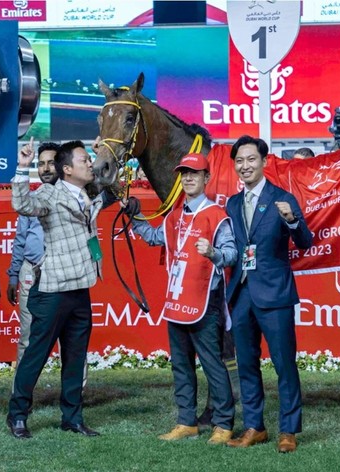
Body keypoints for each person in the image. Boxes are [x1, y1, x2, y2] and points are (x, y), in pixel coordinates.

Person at [124, 152, 237, 445]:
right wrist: (133, 215)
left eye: (194, 173)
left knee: (212, 364)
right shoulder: (175, 215)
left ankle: (224, 423)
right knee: (181, 364)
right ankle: (187, 422)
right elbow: (154, 238)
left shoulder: (217, 215)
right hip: (176, 303)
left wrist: (213, 253)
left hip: (205, 302)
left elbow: (232, 254)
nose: (188, 178)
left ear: (206, 178)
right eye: (184, 173)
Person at [7, 139, 108, 439]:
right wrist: (22, 169)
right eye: (83, 159)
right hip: (52, 290)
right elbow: (23, 205)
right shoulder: (50, 193)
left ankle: (72, 418)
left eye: (89, 159)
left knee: (75, 357)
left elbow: (111, 179)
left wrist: (102, 152)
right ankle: (17, 415)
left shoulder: (89, 192)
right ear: (67, 169)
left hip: (81, 287)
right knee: (36, 355)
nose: (89, 163)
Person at [223, 136, 313, 453]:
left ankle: (288, 430)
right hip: (241, 294)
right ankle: (254, 427)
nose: (245, 166)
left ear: (263, 162)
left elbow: (305, 242)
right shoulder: (232, 204)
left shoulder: (282, 199)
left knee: (284, 364)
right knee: (246, 364)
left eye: (251, 159)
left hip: (275, 294)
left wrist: (292, 221)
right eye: (239, 161)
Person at [7, 142, 59, 371]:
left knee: (69, 339)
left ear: (64, 165)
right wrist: (13, 276)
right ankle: (21, 388)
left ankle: (75, 389)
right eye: (42, 164)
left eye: (52, 163)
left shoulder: (76, 197)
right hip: (31, 271)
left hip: (63, 272)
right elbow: (20, 240)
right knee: (27, 335)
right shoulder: (30, 200)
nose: (46, 168)